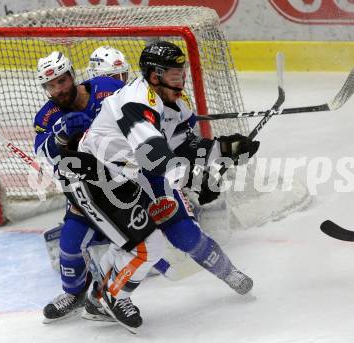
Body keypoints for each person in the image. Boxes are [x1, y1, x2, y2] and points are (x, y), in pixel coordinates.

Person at [71, 41, 259, 327]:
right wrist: (196, 179)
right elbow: (156, 156)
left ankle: (228, 272)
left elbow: (183, 145)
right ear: (154, 75)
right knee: (146, 244)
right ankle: (111, 295)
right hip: (98, 179)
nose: (181, 79)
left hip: (137, 173)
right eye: (173, 74)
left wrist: (224, 148)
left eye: (181, 72)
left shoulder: (176, 103)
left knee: (184, 233)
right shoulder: (136, 102)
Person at [33, 48, 129, 323]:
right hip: (84, 190)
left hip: (124, 182)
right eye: (51, 85)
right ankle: (75, 293)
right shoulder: (46, 117)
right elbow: (47, 155)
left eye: (62, 81)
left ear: (72, 76)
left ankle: (110, 297)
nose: (58, 89)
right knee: (69, 245)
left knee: (132, 241)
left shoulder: (108, 88)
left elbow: (139, 115)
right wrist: (60, 138)